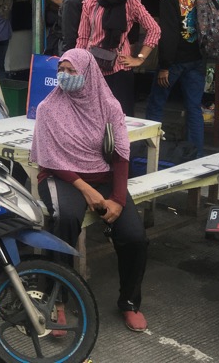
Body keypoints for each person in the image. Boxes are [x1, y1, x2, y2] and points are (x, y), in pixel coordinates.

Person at [31, 49, 149, 332]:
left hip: (103, 174)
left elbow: (121, 154)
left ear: (89, 73)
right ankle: (56, 300)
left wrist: (118, 200)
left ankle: (130, 302)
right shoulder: (49, 107)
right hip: (62, 175)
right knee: (65, 219)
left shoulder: (109, 106)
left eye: (72, 71)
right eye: (62, 69)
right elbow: (49, 158)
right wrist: (86, 190)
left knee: (134, 236)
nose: (65, 76)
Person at [76, 0, 160, 116]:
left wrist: (140, 58)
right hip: (94, 68)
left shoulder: (130, 2)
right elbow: (82, 38)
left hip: (120, 69)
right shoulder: (91, 3)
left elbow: (154, 29)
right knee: (95, 115)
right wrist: (78, 65)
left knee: (122, 116)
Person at [146, 0, 206, 157]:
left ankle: (150, 153)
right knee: (194, 109)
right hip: (197, 58)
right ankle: (195, 156)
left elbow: (169, 34)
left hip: (174, 61)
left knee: (155, 106)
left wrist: (164, 66)